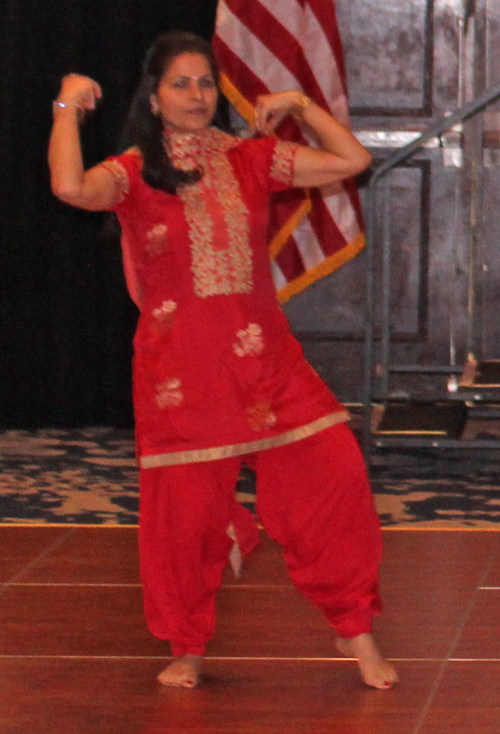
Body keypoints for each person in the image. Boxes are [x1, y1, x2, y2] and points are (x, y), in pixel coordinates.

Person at [48, 31, 398, 691]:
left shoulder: (251, 158)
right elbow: (68, 186)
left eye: (204, 83)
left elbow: (350, 160)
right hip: (181, 374)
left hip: (267, 363)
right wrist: (68, 108)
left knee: (334, 471)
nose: (196, 95)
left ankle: (356, 632)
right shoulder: (132, 173)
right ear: (154, 99)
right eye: (180, 84)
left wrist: (299, 102)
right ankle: (188, 646)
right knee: (185, 518)